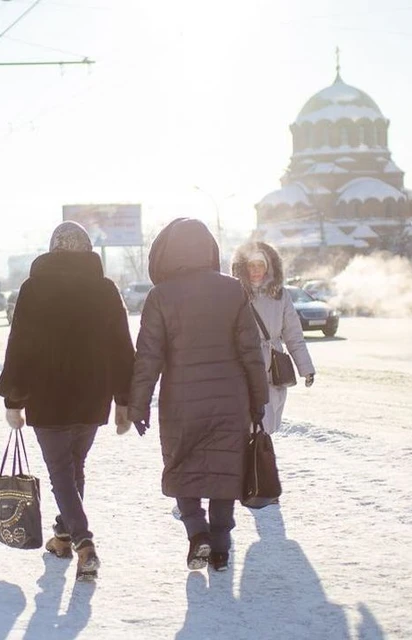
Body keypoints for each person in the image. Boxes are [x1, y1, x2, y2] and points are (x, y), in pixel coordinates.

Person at [0, 221, 135, 582]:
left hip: (48, 395)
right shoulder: (105, 289)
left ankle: (84, 544)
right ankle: (61, 537)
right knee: (73, 469)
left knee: (61, 473)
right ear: (88, 251)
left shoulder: (34, 288)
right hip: (92, 396)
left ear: (53, 249)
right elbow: (121, 345)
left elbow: (20, 345)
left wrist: (14, 398)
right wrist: (123, 398)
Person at [128, 218, 269, 573]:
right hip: (230, 400)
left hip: (182, 402)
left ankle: (197, 532)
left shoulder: (161, 296)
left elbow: (148, 356)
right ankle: (220, 545)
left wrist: (139, 404)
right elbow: (251, 350)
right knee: (225, 469)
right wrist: (259, 399)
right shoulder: (232, 290)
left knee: (182, 465)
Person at [231, 242, 316, 435]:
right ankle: (253, 463)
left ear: (269, 267)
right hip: (245, 368)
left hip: (274, 369)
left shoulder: (280, 295)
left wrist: (306, 369)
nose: (256, 271)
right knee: (252, 427)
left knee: (267, 429)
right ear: (244, 267)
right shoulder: (235, 295)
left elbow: (293, 335)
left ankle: (258, 462)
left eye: (260, 265)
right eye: (251, 265)